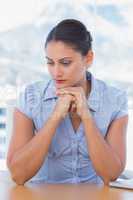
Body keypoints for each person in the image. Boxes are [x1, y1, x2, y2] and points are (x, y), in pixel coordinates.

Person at [7, 19, 128, 185]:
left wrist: (86, 116)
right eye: (50, 62)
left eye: (65, 63)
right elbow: (17, 175)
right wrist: (55, 117)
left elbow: (111, 174)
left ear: (88, 58)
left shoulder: (115, 100)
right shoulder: (30, 97)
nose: (56, 72)